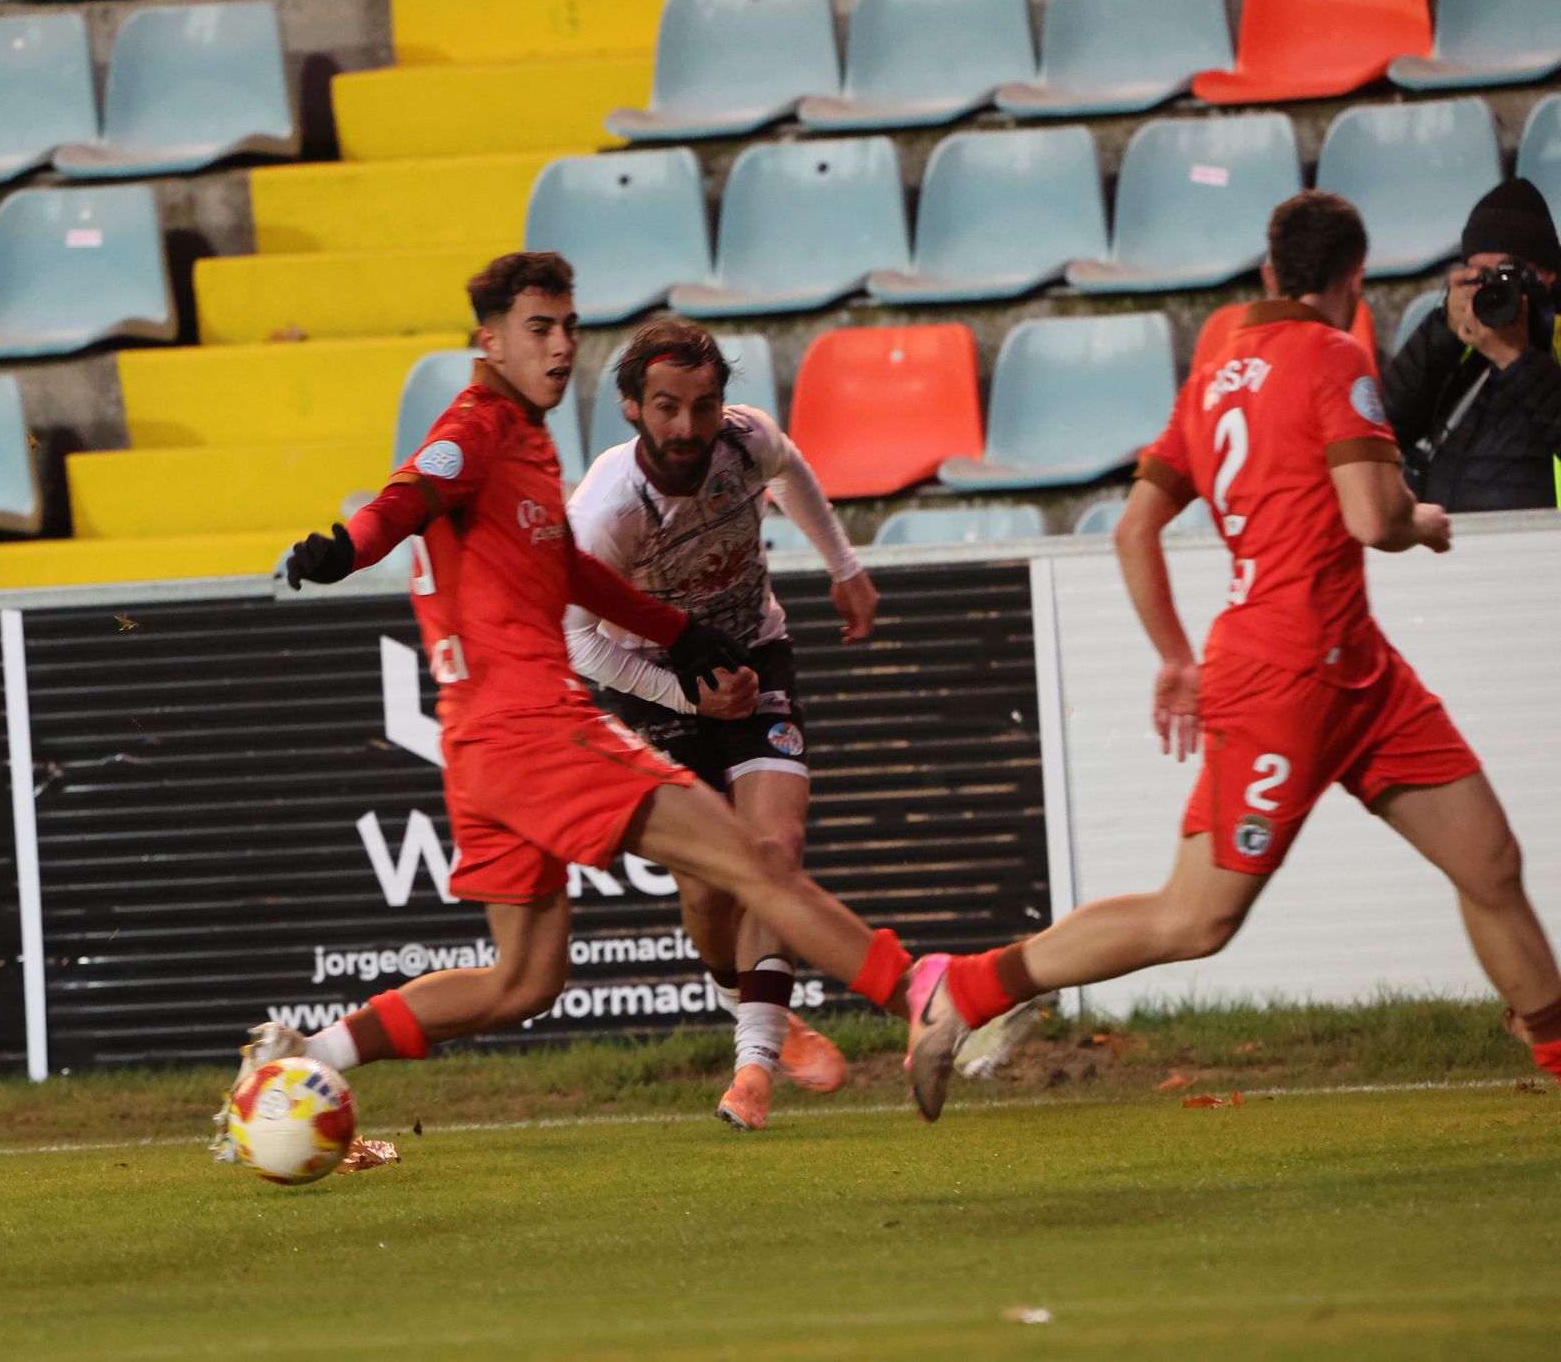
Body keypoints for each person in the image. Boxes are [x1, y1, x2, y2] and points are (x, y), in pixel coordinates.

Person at [218, 253, 926, 1127]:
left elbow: (562, 571)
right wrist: (344, 549)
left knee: (522, 981)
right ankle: (935, 997)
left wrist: (681, 631)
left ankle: (307, 1055)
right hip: (534, 727)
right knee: (754, 861)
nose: (560, 349)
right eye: (538, 329)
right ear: (490, 339)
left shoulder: (529, 438)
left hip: (477, 747)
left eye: (568, 328)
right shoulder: (478, 431)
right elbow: (405, 496)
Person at [903, 192, 1561, 1121]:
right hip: (1289, 676)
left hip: (1354, 671)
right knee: (1194, 918)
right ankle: (966, 990)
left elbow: (1135, 529)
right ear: (1352, 282)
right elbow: (1373, 518)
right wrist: (1422, 524)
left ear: (1266, 275)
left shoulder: (1213, 376)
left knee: (1488, 861)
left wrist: (1174, 656)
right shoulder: (1338, 354)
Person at [561, 318, 877, 1130]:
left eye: (704, 406)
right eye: (666, 406)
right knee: (707, 886)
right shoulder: (607, 511)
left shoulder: (745, 442)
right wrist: (684, 700)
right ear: (631, 408)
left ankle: (753, 1070)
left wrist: (844, 568)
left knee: (775, 852)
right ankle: (748, 999)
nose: (687, 428)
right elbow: (577, 641)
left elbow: (794, 468)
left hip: (754, 654)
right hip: (655, 686)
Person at [1385, 177, 1561, 511]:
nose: (1492, 288)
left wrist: (1515, 358)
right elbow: (1384, 432)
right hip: (1450, 541)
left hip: (1543, 547)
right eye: (1479, 274)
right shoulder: (1461, 337)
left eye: (1507, 273)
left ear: (1547, 275)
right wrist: (1442, 330)